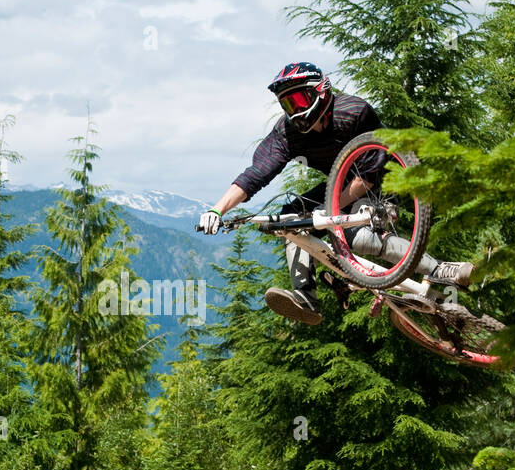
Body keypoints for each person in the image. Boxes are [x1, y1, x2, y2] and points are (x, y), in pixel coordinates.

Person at [199, 62, 474, 325]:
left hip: (381, 181)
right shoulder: (287, 132)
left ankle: (439, 270)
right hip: (339, 185)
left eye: (300, 101)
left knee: (356, 235)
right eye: (287, 104)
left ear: (321, 90)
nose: (295, 111)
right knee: (291, 220)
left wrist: (330, 211)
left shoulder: (354, 112)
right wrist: (217, 210)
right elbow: (256, 174)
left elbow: (368, 176)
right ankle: (305, 298)